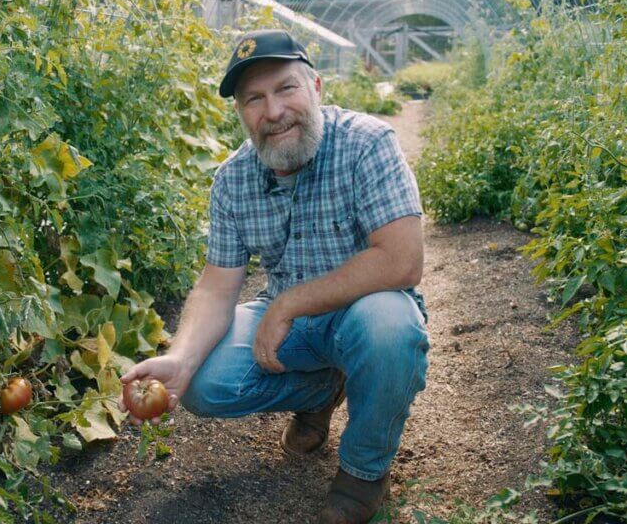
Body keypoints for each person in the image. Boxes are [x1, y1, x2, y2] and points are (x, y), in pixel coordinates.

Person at [120, 29, 430, 524]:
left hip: (364, 313)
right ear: (241, 112)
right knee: (202, 380)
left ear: (316, 87)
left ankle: (363, 472)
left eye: (286, 88)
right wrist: (180, 358)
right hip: (295, 330)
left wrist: (288, 305)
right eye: (254, 99)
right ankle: (325, 390)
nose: (273, 111)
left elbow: (401, 261)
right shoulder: (234, 179)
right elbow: (216, 286)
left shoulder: (367, 144)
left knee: (392, 331)